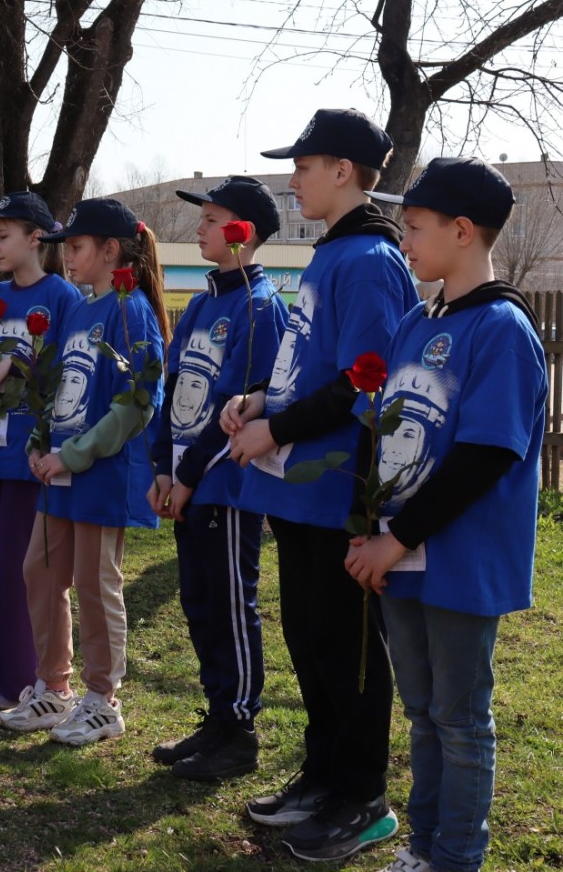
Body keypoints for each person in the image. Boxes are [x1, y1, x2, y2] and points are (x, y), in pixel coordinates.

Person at [222, 109, 418, 861]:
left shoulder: (370, 258)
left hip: (340, 488)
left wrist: (277, 429)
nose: (293, 179)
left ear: (343, 171)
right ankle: (324, 772)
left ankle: (362, 795)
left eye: (304, 167)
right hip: (299, 489)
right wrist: (261, 401)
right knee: (308, 636)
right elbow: (314, 363)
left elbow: (367, 380)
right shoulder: (332, 251)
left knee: (345, 646)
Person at [347, 159, 546, 872]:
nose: (403, 240)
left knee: (459, 720)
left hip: (460, 563)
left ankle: (457, 857)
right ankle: (425, 848)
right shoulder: (415, 320)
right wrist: (370, 532)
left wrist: (396, 539)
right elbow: (382, 436)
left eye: (414, 227)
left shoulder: (502, 328)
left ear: (462, 231)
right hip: (401, 557)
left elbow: (483, 457)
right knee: (422, 711)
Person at [0, 197, 167, 746]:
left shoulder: (131, 309)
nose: (66, 256)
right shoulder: (81, 309)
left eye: (75, 246)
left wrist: (73, 454)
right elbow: (60, 386)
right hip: (60, 473)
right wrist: (40, 442)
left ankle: (103, 700)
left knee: (96, 585)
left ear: (110, 250)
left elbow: (137, 404)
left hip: (101, 475)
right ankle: (55, 687)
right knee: (40, 571)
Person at [147, 177, 288, 780]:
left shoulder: (261, 307)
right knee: (198, 601)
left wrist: (186, 475)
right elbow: (171, 390)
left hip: (225, 485)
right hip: (184, 482)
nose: (199, 229)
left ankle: (239, 731)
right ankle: (216, 718)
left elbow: (238, 405)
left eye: (211, 221)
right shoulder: (203, 304)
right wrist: (161, 468)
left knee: (230, 604)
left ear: (242, 232)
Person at [0, 191, 81, 710]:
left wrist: (19, 361)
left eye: (4, 236)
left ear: (36, 238)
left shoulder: (62, 297)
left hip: (30, 458)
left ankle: (24, 681)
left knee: (18, 569)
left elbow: (68, 372)